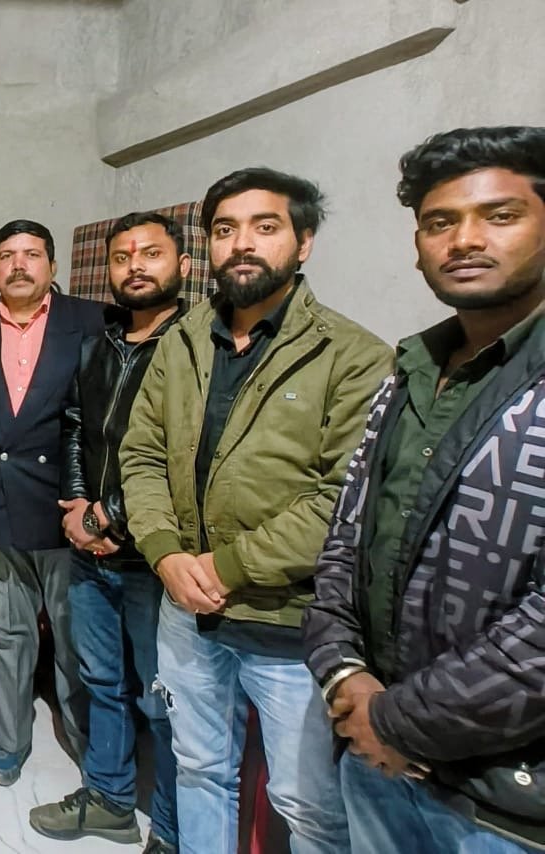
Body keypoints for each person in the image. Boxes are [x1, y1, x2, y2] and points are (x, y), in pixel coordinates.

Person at [119, 167, 391, 853]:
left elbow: (343, 499)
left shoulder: (352, 356)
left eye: (264, 227)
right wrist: (165, 554)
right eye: (224, 229)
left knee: (308, 806)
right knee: (199, 768)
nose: (241, 243)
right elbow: (141, 453)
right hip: (186, 607)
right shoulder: (182, 340)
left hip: (290, 623)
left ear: (304, 243)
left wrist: (227, 566)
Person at [303, 126, 545, 854]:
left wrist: (398, 721)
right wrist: (345, 674)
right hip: (375, 751)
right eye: (440, 222)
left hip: (503, 797)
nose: (464, 239)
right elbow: (347, 535)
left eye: (500, 215)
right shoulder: (413, 370)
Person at [27, 211, 188, 853]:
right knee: (102, 683)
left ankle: (173, 831)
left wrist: (109, 517)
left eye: (151, 253)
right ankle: (110, 801)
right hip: (90, 552)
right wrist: (78, 507)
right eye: (122, 257)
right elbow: (75, 425)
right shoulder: (101, 343)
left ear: (182, 264)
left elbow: (182, 455)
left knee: (163, 701)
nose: (135, 267)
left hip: (156, 557)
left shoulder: (196, 347)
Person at [0, 219, 103, 786]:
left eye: (32, 254)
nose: (19, 265)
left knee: (74, 636)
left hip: (66, 504)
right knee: (9, 630)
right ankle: (10, 740)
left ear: (53, 266)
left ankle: (87, 740)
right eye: (7, 256)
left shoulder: (92, 322)